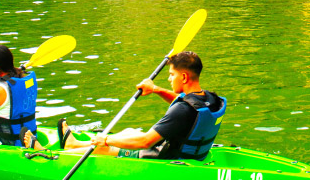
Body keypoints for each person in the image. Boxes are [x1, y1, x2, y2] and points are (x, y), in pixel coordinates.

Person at [56, 51, 226, 160]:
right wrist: (155, 89)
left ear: (183, 77)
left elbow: (145, 142)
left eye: (171, 75)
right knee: (129, 132)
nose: (169, 79)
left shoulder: (181, 110)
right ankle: (74, 144)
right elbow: (186, 103)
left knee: (103, 148)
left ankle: (61, 154)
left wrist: (106, 139)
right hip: (190, 154)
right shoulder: (210, 99)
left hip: (163, 158)